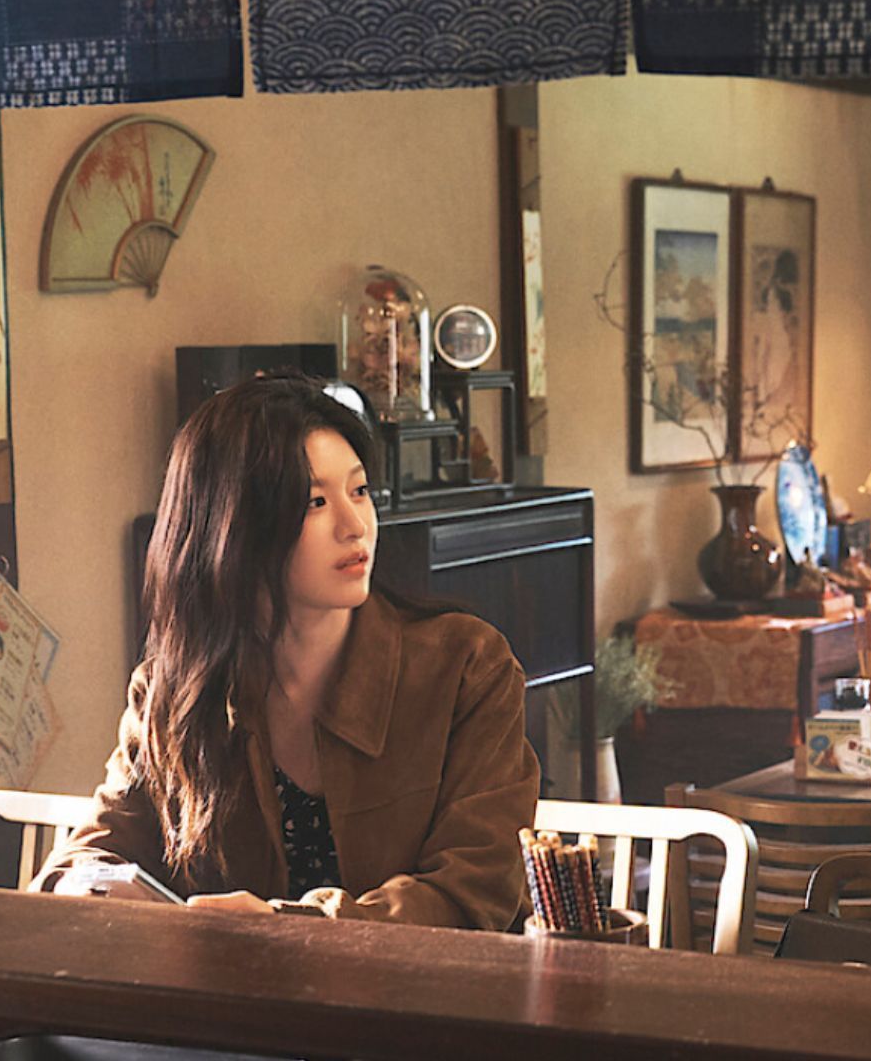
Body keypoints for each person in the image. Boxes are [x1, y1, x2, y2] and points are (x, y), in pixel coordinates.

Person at [32, 374, 539, 929]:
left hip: (420, 986)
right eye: (314, 502)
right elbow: (91, 854)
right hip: (230, 987)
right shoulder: (174, 691)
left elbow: (475, 889)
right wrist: (87, 885)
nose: (355, 526)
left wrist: (287, 926)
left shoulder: (466, 665)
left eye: (360, 491)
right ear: (231, 526)